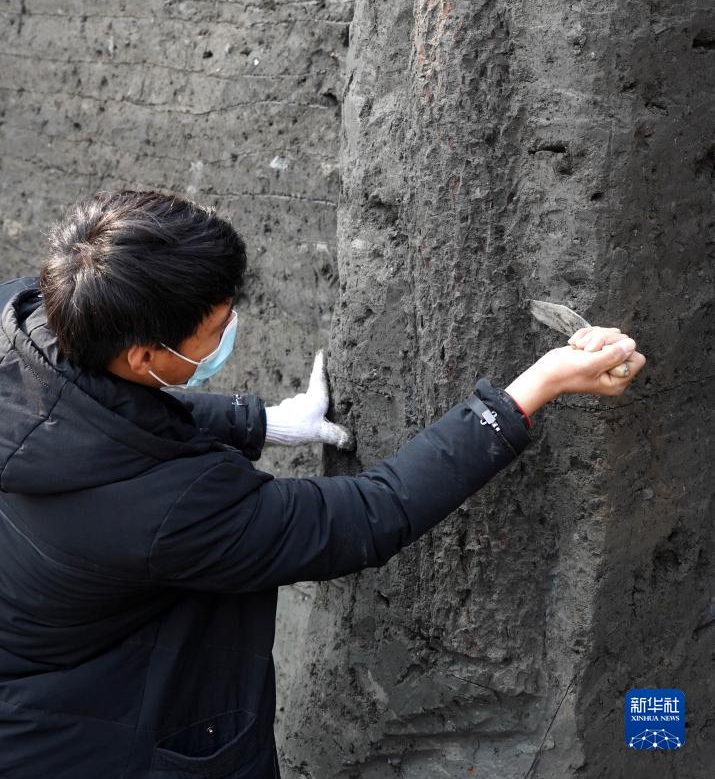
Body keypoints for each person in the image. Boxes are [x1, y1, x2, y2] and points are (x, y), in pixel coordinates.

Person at [0, 189, 645, 779]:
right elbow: (367, 513)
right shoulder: (170, 511)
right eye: (217, 326)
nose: (230, 330)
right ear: (143, 354)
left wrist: (264, 422)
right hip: (89, 745)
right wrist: (533, 390)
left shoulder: (27, 331)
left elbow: (93, 415)